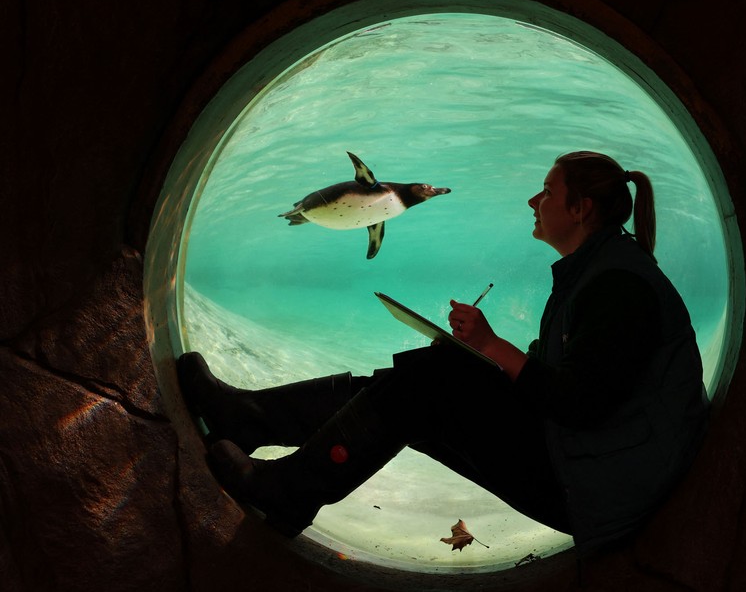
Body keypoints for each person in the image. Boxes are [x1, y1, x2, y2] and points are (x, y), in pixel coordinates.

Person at [177, 151, 709, 553]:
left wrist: (491, 347)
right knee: (421, 386)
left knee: (430, 383)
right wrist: (486, 357)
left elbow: (579, 405)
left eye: (546, 191)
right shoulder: (602, 269)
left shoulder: (618, 285)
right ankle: (250, 419)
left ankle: (288, 488)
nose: (533, 201)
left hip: (596, 490)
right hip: (586, 468)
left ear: (580, 207)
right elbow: (576, 383)